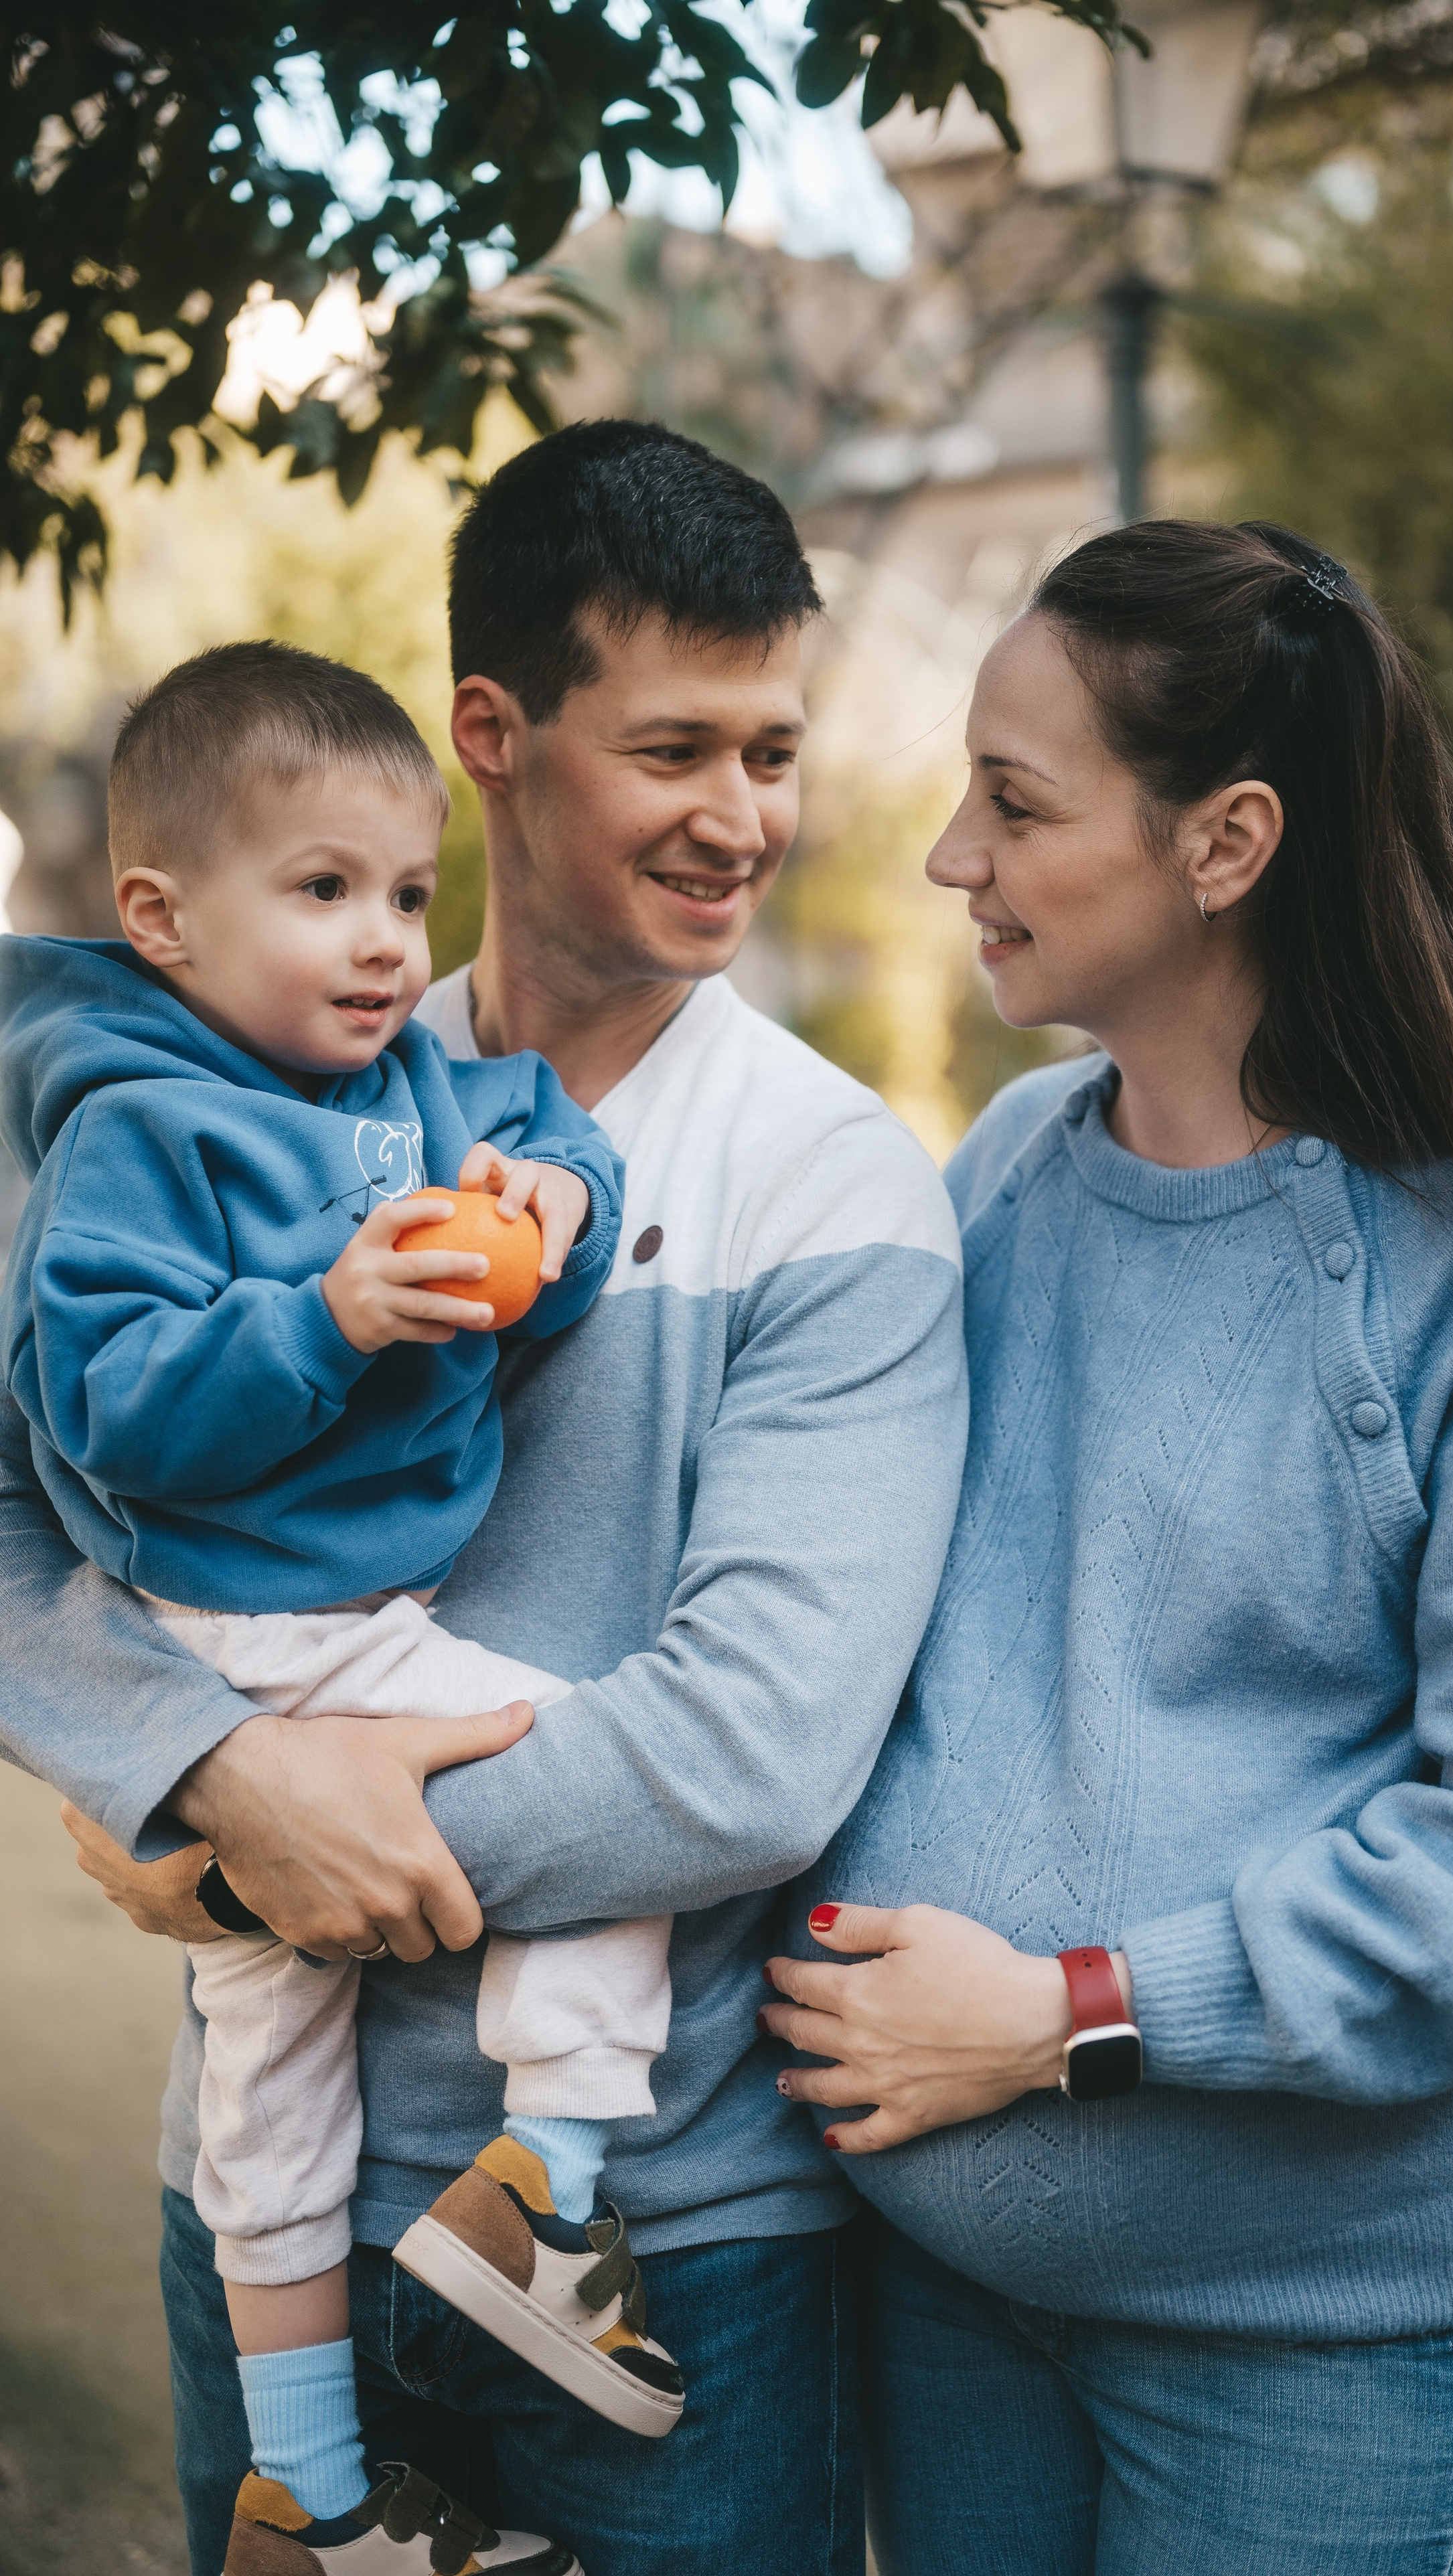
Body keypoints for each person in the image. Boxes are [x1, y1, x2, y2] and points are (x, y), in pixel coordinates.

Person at [0, 421, 967, 2576]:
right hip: (267, 2212)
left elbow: (752, 1753)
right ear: (493, 737)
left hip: (660, 2234)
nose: (747, 821)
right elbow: (24, 1500)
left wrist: (258, 1842)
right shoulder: (253, 1092)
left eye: (777, 751)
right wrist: (199, 1758)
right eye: (678, 749)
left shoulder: (840, 1188)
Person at [760, 519, 1453, 2576]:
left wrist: (1073, 2012)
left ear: (1228, 842)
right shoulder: (1008, 1172)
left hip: (1314, 2341)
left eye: (1016, 804)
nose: (950, 856)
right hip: (948, 2286)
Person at [0, 635, 714, 2573]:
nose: (389, 941)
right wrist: (322, 1319)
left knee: (274, 2077)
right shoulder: (141, 1133)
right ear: (160, 917)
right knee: (611, 1789)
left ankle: (308, 2499)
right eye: (322, 893)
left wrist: (548, 1209)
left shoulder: (402, 1071)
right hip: (269, 1624)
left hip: (302, 1623)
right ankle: (547, 2188)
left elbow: (540, 1124)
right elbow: (102, 1404)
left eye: (408, 893)